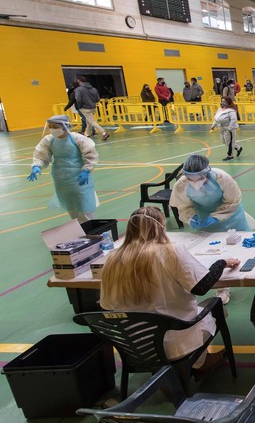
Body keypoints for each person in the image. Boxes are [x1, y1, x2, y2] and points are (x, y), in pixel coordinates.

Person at [99, 207, 239, 371]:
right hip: (174, 338)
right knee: (217, 307)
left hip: (134, 344)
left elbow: (106, 304)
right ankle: (199, 363)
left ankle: (177, 372)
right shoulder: (170, 251)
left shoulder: (112, 259)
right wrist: (221, 263)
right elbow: (201, 287)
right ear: (160, 227)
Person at [28, 114, 99, 223]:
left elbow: (90, 154)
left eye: (55, 127)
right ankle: (79, 229)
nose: (52, 130)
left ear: (65, 126)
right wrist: (37, 165)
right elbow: (41, 154)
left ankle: (90, 228)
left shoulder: (77, 138)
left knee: (84, 204)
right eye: (50, 127)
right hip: (61, 178)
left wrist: (86, 169)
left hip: (79, 177)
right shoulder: (49, 140)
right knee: (70, 205)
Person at [69, 75, 110, 141]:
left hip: (85, 108)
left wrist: (80, 106)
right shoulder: (93, 89)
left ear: (78, 81)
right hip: (93, 107)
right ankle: (87, 135)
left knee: (91, 121)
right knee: (88, 121)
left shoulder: (79, 89)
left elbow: (78, 99)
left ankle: (104, 133)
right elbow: (97, 99)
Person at [211, 96, 242, 161]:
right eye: (222, 101)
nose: (223, 103)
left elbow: (233, 120)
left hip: (229, 128)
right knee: (224, 141)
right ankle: (238, 148)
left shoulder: (231, 111)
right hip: (221, 128)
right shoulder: (220, 109)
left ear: (228, 102)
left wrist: (230, 128)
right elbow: (217, 119)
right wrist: (213, 125)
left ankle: (230, 155)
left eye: (224, 101)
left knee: (229, 142)